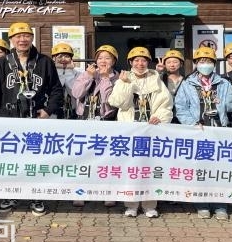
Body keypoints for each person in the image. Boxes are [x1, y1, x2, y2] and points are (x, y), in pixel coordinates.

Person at [0, 21, 63, 216]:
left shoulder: (44, 62)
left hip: (36, 120)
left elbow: (56, 90)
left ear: (32, 38)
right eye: (18, 36)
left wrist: (48, 110)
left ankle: (36, 196)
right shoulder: (2, 63)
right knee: (11, 161)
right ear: (11, 39)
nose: (22, 39)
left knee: (35, 160)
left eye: (26, 35)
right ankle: (10, 195)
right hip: (8, 119)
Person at [174, 46, 232, 220]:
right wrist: (192, 123)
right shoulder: (187, 83)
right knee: (200, 170)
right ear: (196, 63)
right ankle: (202, 204)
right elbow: (180, 107)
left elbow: (230, 107)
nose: (205, 64)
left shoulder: (223, 83)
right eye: (201, 61)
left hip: (219, 130)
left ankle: (220, 205)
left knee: (220, 170)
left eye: (209, 61)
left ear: (214, 64)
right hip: (198, 131)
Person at [108, 46, 173, 218]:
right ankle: (131, 204)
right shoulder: (124, 78)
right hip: (131, 131)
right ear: (130, 62)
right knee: (131, 169)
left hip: (151, 131)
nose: (140, 63)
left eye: (143, 60)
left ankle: (149, 205)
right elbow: (118, 103)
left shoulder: (156, 79)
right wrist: (124, 84)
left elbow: (166, 104)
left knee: (150, 169)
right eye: (136, 60)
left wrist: (159, 117)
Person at [71, 44, 120, 207]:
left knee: (107, 159)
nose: (103, 61)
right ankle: (81, 192)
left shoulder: (118, 78)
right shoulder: (87, 74)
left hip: (107, 122)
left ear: (114, 61)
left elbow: (109, 100)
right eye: (100, 58)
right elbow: (77, 93)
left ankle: (107, 192)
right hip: (84, 120)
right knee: (83, 158)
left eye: (107, 58)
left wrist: (105, 79)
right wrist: (88, 77)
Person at [51, 42, 80, 120]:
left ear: (71, 59)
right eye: (60, 56)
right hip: (52, 113)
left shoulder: (78, 74)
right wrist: (60, 71)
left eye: (67, 56)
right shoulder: (49, 73)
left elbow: (74, 92)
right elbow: (57, 87)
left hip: (73, 113)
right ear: (54, 58)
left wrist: (68, 71)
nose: (63, 59)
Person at [155, 49, 185, 124]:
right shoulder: (160, 79)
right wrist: (158, 72)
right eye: (168, 62)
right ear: (165, 65)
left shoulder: (187, 81)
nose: (172, 65)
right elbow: (152, 83)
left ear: (181, 64)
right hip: (163, 117)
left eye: (175, 62)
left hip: (182, 118)